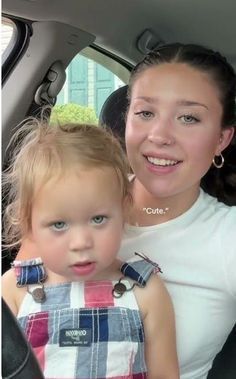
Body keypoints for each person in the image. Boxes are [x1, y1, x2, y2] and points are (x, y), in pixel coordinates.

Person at [2, 120, 179, 379]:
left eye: (98, 219)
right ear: (29, 225)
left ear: (123, 210)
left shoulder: (145, 291)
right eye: (59, 224)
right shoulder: (14, 291)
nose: (81, 242)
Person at [116, 43, 236, 379]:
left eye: (189, 118)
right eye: (145, 113)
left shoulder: (227, 237)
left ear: (221, 139)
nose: (159, 135)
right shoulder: (73, 199)